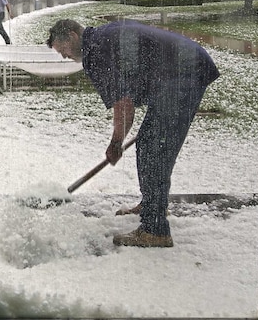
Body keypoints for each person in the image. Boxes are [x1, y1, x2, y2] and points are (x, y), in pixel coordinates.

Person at [46, 18, 220, 248]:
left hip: (184, 73)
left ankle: (155, 230)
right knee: (152, 143)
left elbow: (124, 105)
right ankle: (152, 206)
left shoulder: (97, 51)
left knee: (152, 149)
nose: (64, 56)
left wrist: (116, 143)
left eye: (63, 49)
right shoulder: (100, 40)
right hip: (181, 71)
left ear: (72, 35)